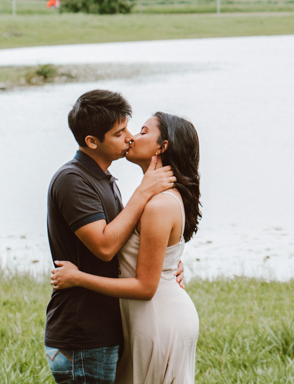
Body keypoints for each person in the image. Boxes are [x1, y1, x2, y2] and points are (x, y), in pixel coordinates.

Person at [52, 111, 202, 384]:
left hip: (157, 318)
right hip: (147, 317)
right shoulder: (148, 196)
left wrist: (77, 278)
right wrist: (170, 266)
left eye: (143, 132)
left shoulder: (158, 203)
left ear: (162, 147)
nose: (132, 138)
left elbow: (146, 287)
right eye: (125, 132)